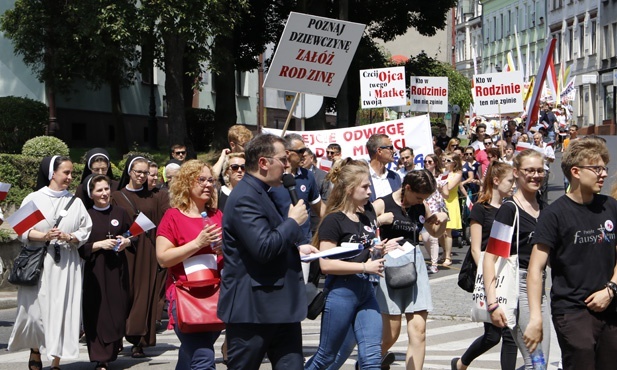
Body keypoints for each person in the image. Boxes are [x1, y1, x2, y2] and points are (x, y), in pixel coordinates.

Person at [218, 134, 317, 370]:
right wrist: (292, 223)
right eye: (282, 159)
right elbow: (263, 247)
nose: (287, 165)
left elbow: (272, 236)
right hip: (254, 311)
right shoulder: (245, 197)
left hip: (281, 307)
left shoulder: (266, 191)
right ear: (263, 163)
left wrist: (298, 244)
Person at [525, 137, 617, 370]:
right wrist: (536, 317)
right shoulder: (554, 214)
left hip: (611, 307)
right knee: (582, 360)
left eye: (604, 168)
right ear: (575, 171)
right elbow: (535, 269)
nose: (604, 174)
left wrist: (611, 288)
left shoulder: (611, 206)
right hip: (572, 310)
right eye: (597, 168)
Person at [304, 159, 401, 370]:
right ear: (349, 190)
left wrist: (380, 249)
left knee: (372, 357)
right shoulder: (333, 220)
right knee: (326, 356)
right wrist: (364, 267)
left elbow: (367, 249)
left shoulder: (368, 215)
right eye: (365, 187)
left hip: (366, 290)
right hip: (341, 292)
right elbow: (326, 265)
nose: (369, 192)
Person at [8, 156, 92, 370]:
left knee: (62, 310)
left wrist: (70, 236)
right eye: (66, 172)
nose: (70, 177)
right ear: (52, 173)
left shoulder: (75, 202)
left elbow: (85, 230)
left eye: (72, 173)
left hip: (66, 263)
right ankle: (35, 347)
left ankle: (55, 361)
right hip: (40, 263)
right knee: (35, 312)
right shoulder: (33, 198)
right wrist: (44, 236)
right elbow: (21, 231)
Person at [483, 149, 551, 369]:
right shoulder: (509, 210)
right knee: (536, 361)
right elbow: (490, 258)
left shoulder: (546, 209)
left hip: (541, 288)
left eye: (540, 170)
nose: (535, 175)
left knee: (541, 361)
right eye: (529, 170)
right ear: (517, 173)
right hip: (518, 287)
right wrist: (493, 303)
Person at [374, 170, 448, 370]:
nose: (420, 201)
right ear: (407, 188)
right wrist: (380, 221)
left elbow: (434, 231)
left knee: (419, 330)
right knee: (391, 333)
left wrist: (443, 220)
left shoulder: (420, 206)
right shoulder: (383, 203)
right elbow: (360, 227)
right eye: (418, 197)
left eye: (423, 198)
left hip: (415, 267)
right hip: (390, 269)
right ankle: (369, 362)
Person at [156, 160, 223, 370]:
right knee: (203, 358)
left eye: (210, 180)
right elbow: (163, 258)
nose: (207, 185)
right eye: (201, 180)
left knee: (191, 354)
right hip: (185, 296)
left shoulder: (217, 215)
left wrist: (226, 250)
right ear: (185, 183)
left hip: (215, 295)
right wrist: (197, 243)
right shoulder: (173, 216)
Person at [452, 162, 518, 370]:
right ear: (496, 181)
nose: (514, 184)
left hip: (507, 273)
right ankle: (462, 363)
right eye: (510, 180)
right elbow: (475, 248)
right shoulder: (481, 209)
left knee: (508, 332)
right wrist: (487, 278)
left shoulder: (511, 208)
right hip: (488, 274)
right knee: (492, 335)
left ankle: (462, 364)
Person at [112, 155, 169, 358]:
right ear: (129, 171)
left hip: (147, 251)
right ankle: (117, 337)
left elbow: (165, 221)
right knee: (122, 294)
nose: (142, 176)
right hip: (124, 252)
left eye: (146, 173)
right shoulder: (117, 196)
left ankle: (138, 341)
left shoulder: (156, 196)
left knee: (143, 295)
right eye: (138, 172)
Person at [80, 174, 132, 370]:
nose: (104, 193)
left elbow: (132, 234)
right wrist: (98, 245)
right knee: (98, 312)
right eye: (99, 190)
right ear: (91, 194)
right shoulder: (85, 215)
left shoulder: (120, 212)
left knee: (117, 311)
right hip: (96, 271)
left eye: (106, 189)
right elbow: (79, 247)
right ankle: (101, 358)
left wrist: (126, 242)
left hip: (117, 269)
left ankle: (112, 348)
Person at [422, 154, 446, 273]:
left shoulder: (440, 177)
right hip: (425, 207)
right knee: (425, 238)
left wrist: (442, 190)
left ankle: (434, 263)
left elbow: (446, 194)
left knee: (433, 238)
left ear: (435, 163)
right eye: (425, 161)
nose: (427, 163)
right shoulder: (423, 176)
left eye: (430, 162)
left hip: (436, 208)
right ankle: (434, 258)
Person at [439, 153, 463, 267]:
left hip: (451, 202)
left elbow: (449, 187)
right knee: (439, 231)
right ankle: (444, 252)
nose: (445, 163)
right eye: (444, 160)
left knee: (447, 231)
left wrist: (440, 185)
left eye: (448, 160)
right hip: (441, 202)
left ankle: (448, 256)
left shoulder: (457, 174)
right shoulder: (443, 172)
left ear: (454, 162)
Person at [366, 134, 402, 202]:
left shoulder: (395, 177)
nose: (394, 151)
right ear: (379, 151)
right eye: (390, 148)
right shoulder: (361, 176)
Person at [532, 132, 555, 204]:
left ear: (541, 139)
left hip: (543, 169)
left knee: (543, 188)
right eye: (534, 139)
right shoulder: (532, 147)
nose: (536, 140)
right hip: (533, 169)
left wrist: (546, 156)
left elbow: (552, 159)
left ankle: (544, 205)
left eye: (537, 138)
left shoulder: (547, 146)